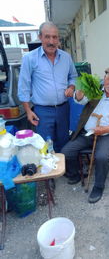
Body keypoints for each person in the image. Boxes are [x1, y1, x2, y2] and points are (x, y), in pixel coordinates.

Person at [18, 22, 78, 192]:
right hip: (42, 110)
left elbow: (73, 76)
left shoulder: (65, 57)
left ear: (59, 38)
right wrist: (28, 111)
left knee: (63, 141)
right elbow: (23, 87)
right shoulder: (29, 58)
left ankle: (63, 170)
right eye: (47, 37)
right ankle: (48, 175)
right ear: (40, 38)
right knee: (45, 144)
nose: (51, 41)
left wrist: (71, 87)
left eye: (55, 37)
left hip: (63, 107)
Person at [61, 67, 109, 203]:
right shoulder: (95, 90)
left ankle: (98, 186)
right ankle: (76, 173)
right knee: (66, 152)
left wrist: (104, 130)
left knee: (102, 157)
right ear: (104, 79)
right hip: (87, 133)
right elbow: (79, 100)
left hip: (107, 135)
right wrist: (81, 87)